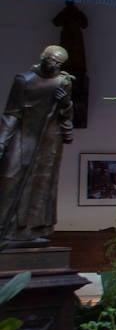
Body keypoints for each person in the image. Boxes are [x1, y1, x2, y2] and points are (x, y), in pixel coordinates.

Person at [0, 45, 74, 243]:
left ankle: (33, 229)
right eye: (51, 61)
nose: (54, 66)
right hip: (24, 133)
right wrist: (2, 140)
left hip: (49, 139)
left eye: (58, 64)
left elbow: (66, 114)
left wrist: (66, 102)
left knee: (42, 184)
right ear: (43, 58)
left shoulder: (63, 82)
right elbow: (11, 113)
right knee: (9, 177)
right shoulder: (24, 80)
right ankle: (5, 228)